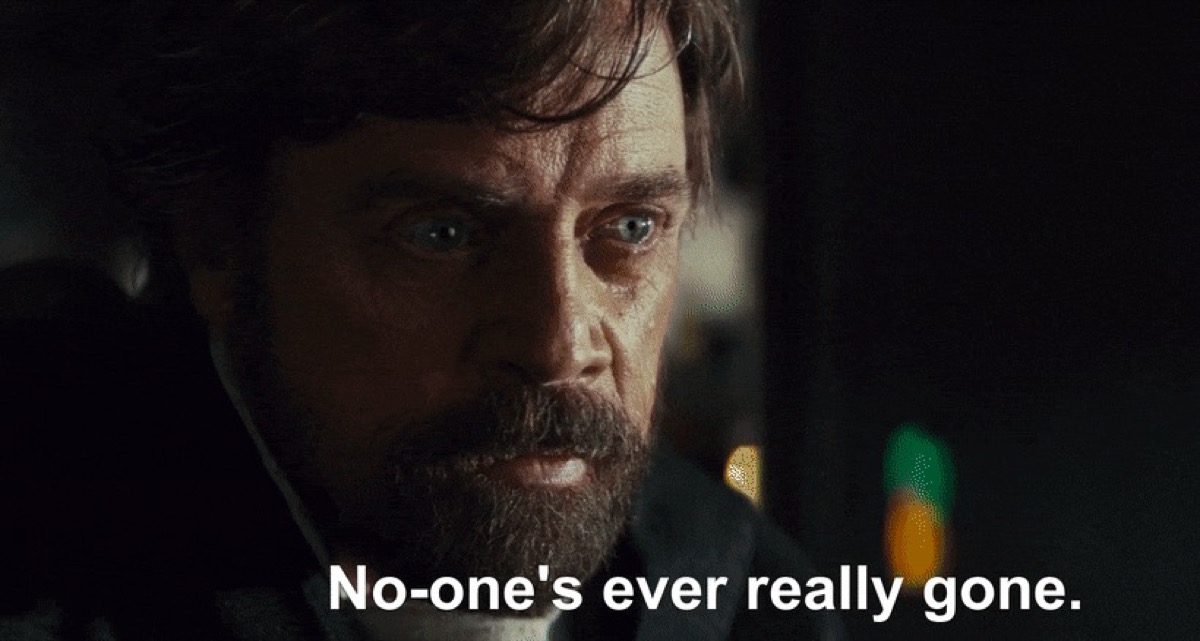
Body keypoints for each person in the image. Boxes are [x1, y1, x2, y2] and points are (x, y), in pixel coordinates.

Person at [0, 1, 843, 639]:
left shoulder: (749, 600)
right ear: (219, 241)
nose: (558, 344)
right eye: (442, 235)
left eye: (627, 229)